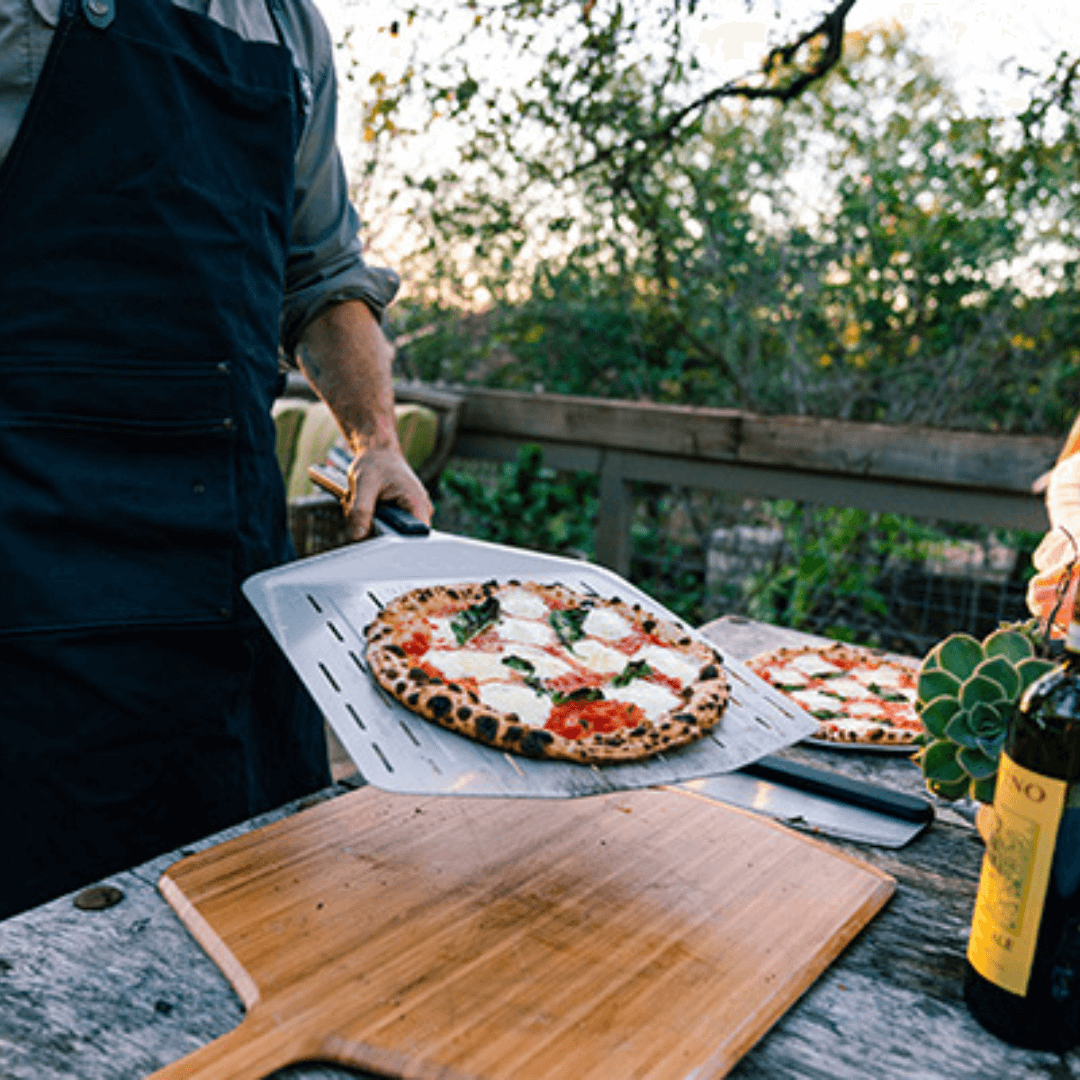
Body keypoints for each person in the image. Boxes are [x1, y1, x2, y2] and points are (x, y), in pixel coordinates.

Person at [0, 0, 433, 919]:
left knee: (259, 903)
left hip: (232, 567)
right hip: (36, 564)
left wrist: (377, 442)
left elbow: (319, 276)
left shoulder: (291, 28)